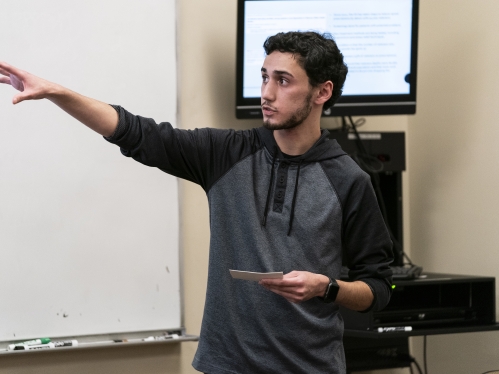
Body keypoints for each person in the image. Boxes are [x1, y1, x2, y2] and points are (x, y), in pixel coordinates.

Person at [0, 31, 393, 374]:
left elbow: (378, 287)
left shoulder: (348, 180)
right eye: (264, 77)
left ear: (322, 92)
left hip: (309, 368)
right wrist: (58, 93)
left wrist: (327, 289)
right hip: (226, 366)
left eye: (283, 81)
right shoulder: (225, 153)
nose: (267, 93)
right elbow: (137, 133)